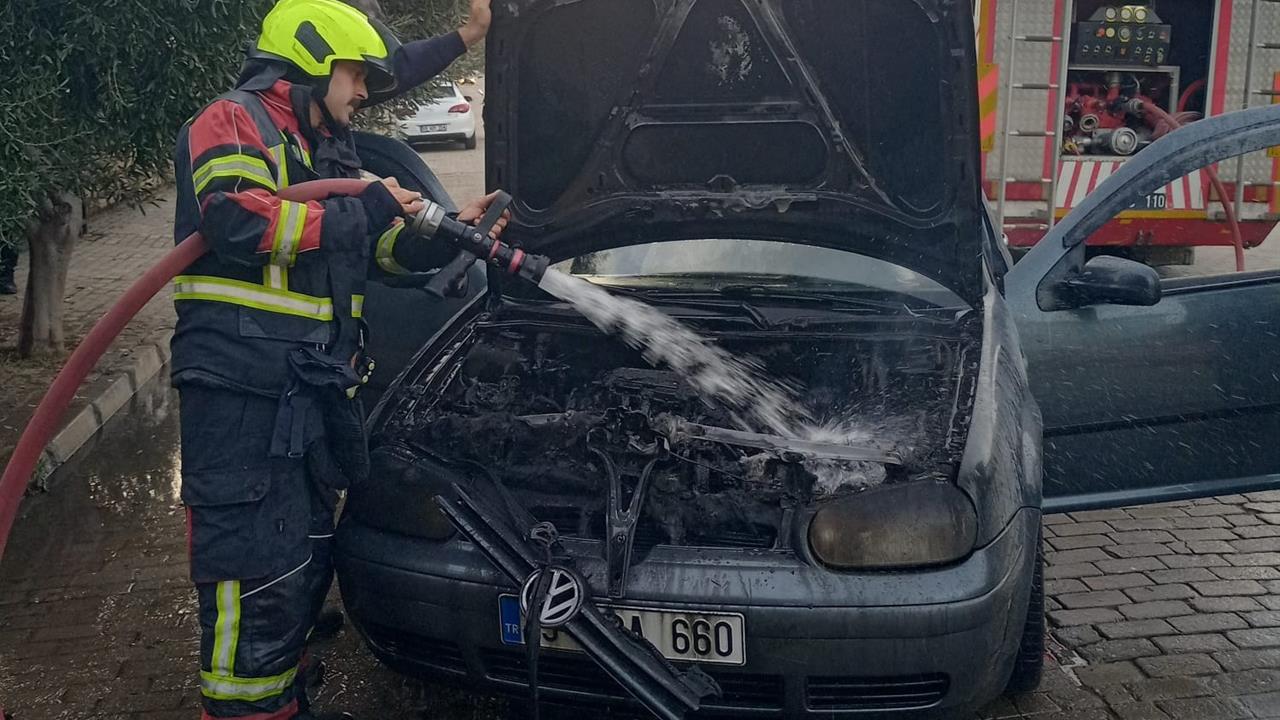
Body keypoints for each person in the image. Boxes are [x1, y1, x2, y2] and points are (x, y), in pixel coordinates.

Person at [171, 1, 503, 718]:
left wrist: (434, 239)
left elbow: (368, 252)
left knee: (299, 566)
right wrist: (369, 206)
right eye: (356, 77)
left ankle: (282, 695)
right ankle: (246, 709)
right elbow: (236, 218)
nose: (362, 94)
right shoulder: (233, 122)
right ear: (312, 65)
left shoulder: (330, 150)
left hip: (308, 397)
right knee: (253, 579)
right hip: (242, 398)